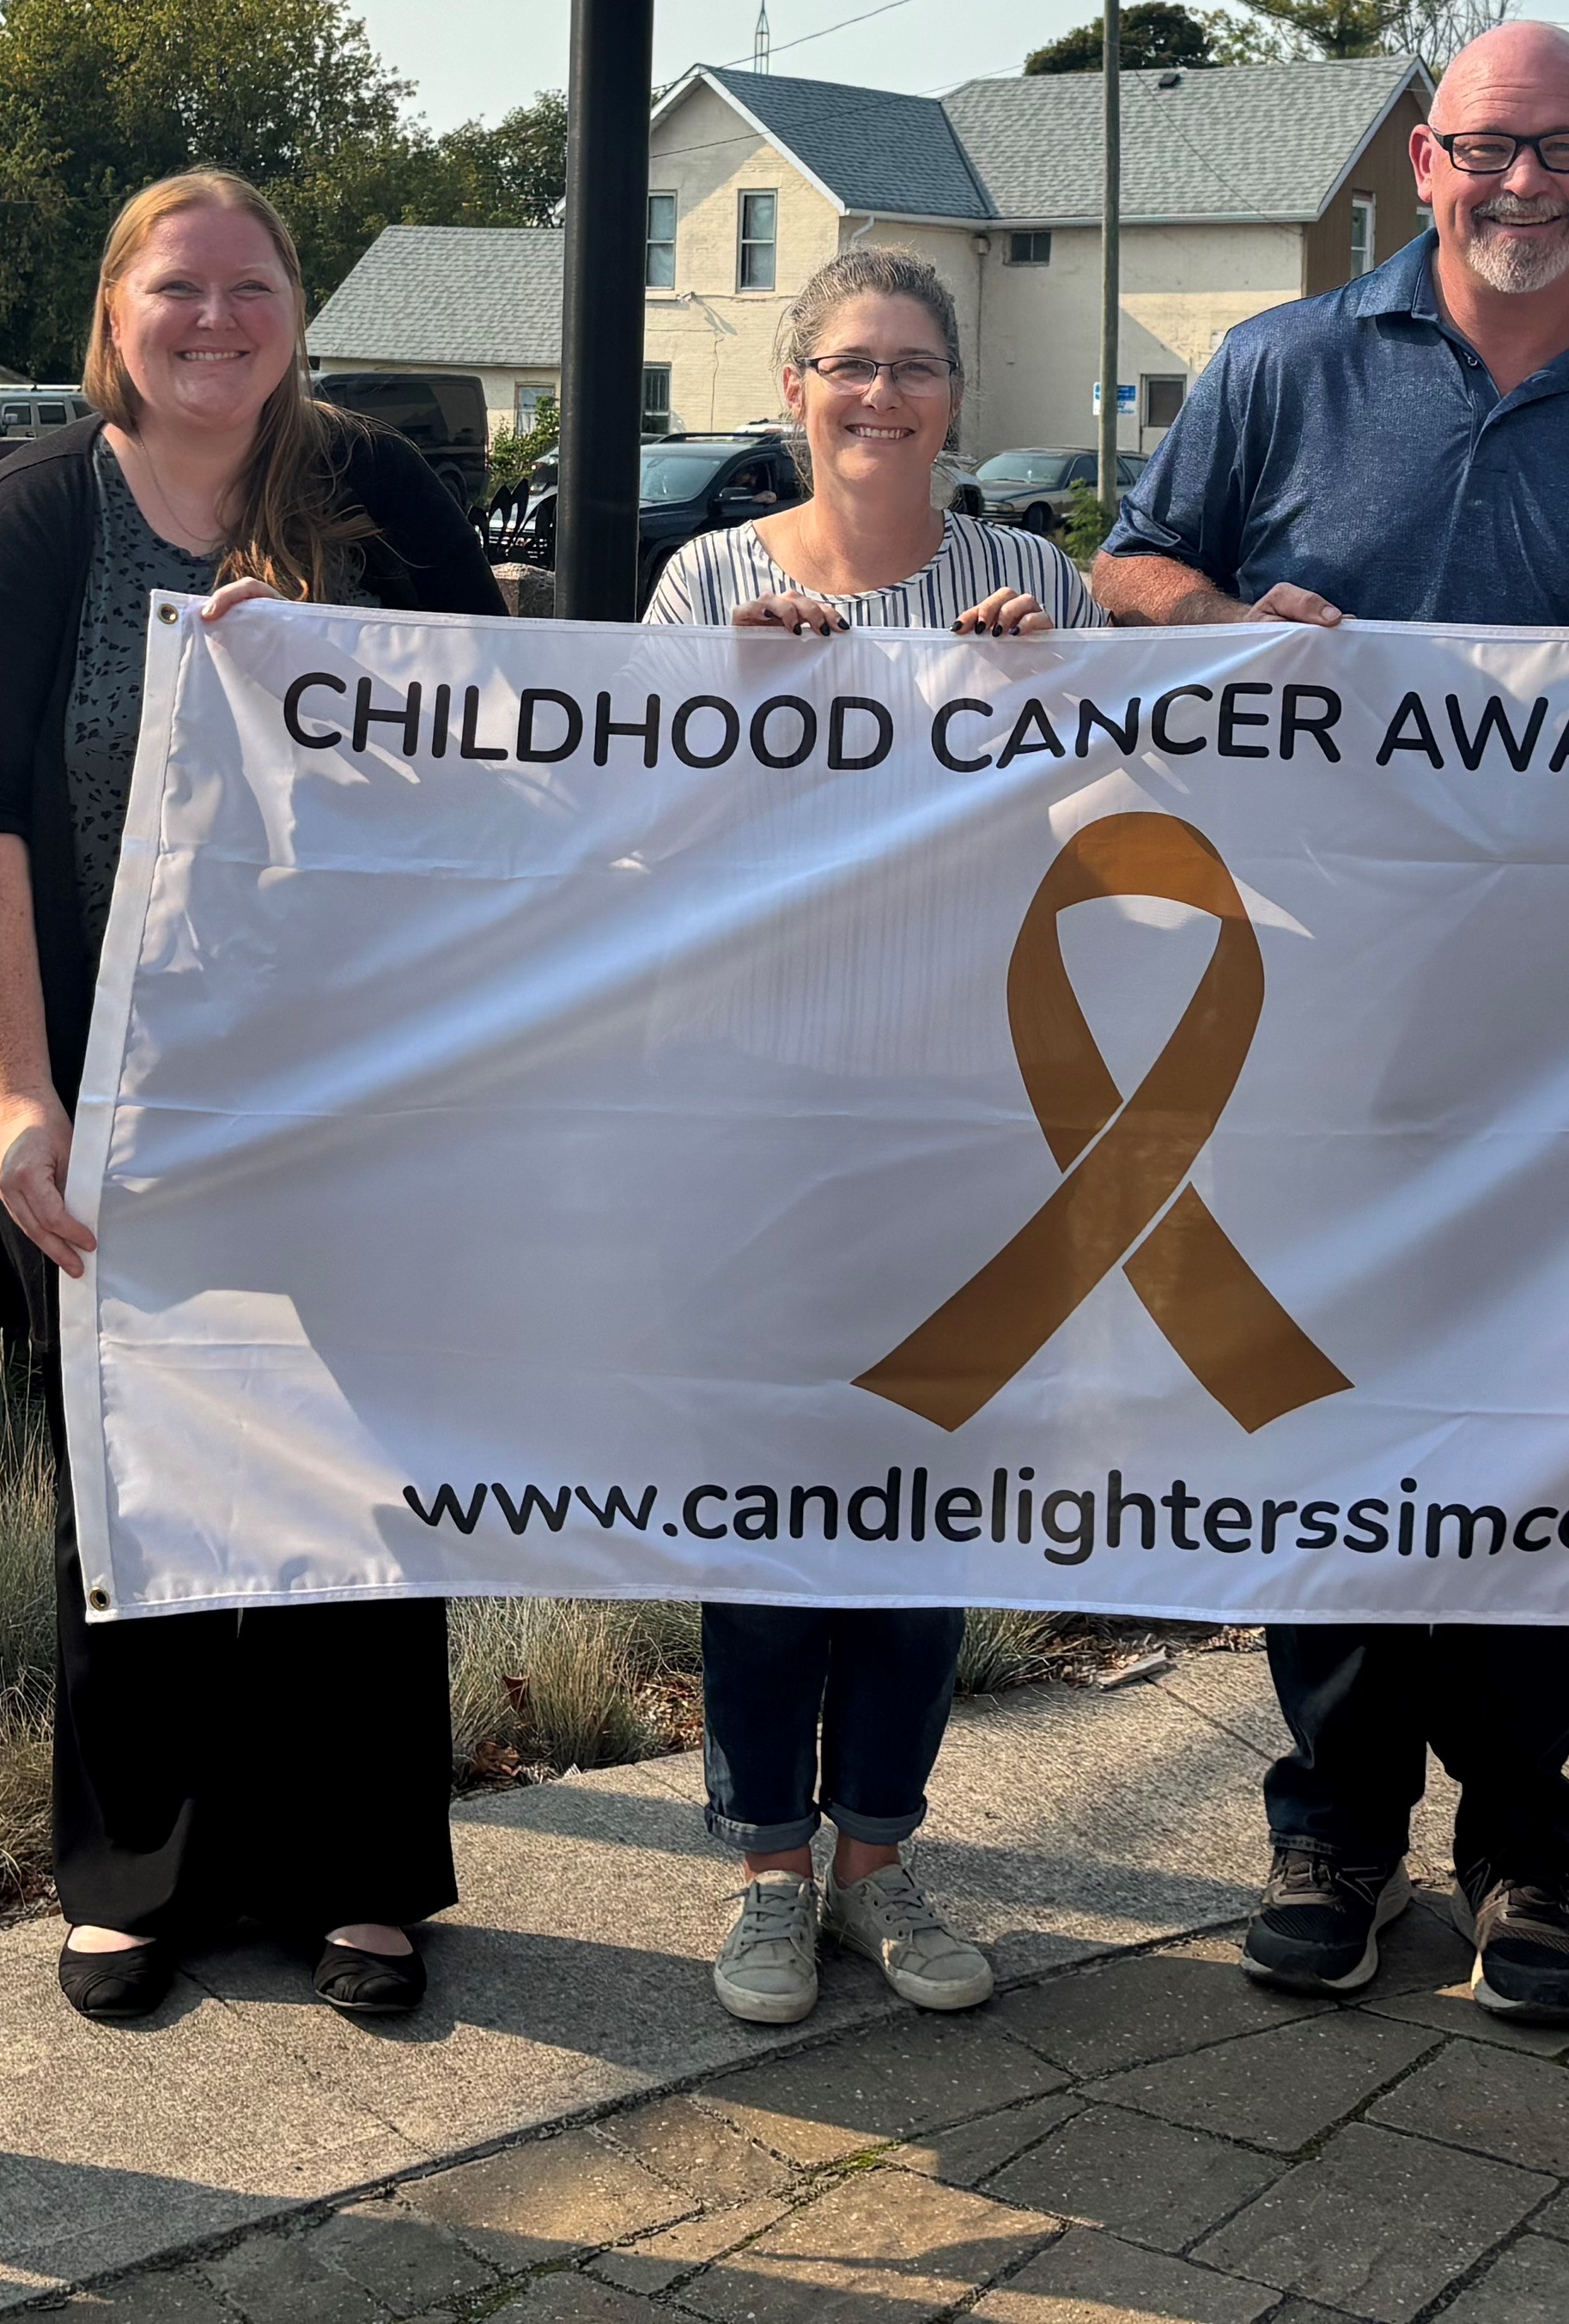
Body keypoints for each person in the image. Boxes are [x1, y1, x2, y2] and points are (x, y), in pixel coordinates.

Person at [1094, 21, 1569, 2022]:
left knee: (1545, 1433)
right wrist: (1210, 626)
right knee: (1323, 1422)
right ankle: (1333, 1824)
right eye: (1488, 148)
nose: (1526, 184)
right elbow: (1136, 565)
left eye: (1565, 151)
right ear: (1425, 161)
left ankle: (1523, 1841)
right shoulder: (1282, 367)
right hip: (1307, 1018)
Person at [0, 167, 504, 2028]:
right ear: (115, 307)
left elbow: (505, 734)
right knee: (136, 1467)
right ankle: (136, 1871)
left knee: (351, 1455)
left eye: (252, 288)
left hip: (340, 1081)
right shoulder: (26, 525)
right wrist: (22, 1094)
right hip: (98, 1089)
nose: (217, 321)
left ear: (298, 310)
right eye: (181, 288)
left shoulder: (377, 495)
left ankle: (363, 1875)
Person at [641, 246, 1085, 2026]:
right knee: (766, 1484)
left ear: (956, 397)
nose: (878, 394)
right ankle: (764, 1865)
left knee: (926, 1489)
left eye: (910, 366)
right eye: (846, 364)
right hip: (753, 1102)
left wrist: (1054, 692)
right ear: (792, 389)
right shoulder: (706, 580)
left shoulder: (1031, 579)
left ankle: (884, 1854)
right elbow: (650, 841)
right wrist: (731, 701)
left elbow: (1107, 829)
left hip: (967, 1104)